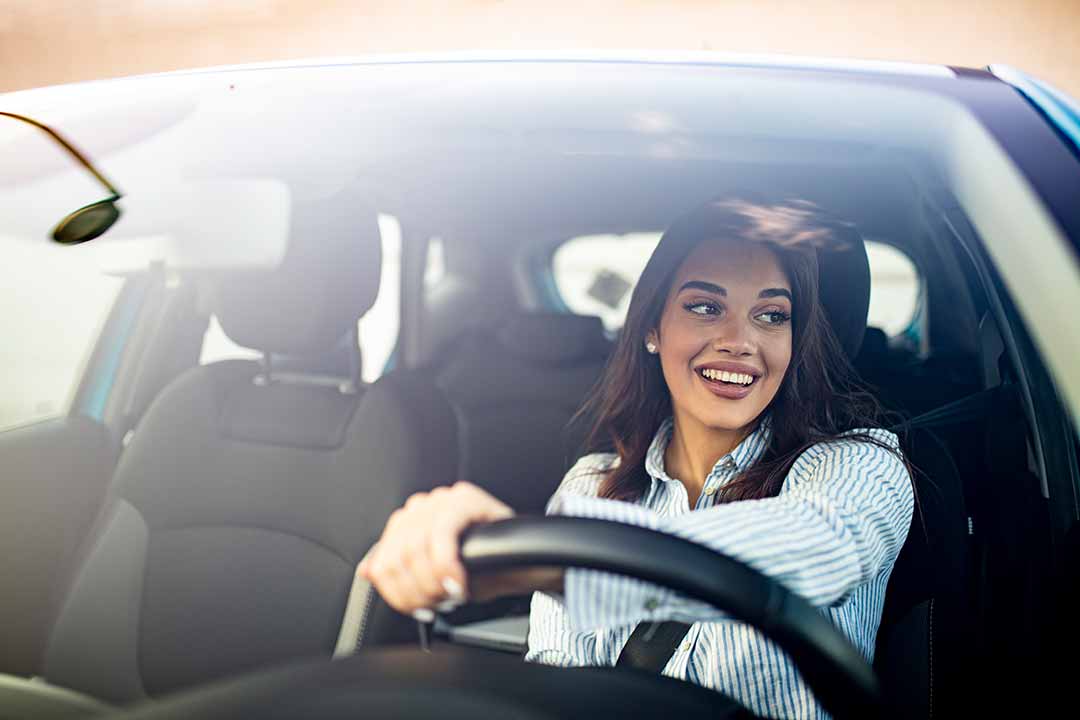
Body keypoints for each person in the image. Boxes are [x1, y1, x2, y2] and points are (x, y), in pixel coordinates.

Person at [358, 195, 914, 719]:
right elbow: (557, 679)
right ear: (652, 328)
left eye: (772, 316)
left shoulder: (860, 466)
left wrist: (555, 564)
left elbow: (823, 546)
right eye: (705, 306)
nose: (739, 341)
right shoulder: (592, 485)